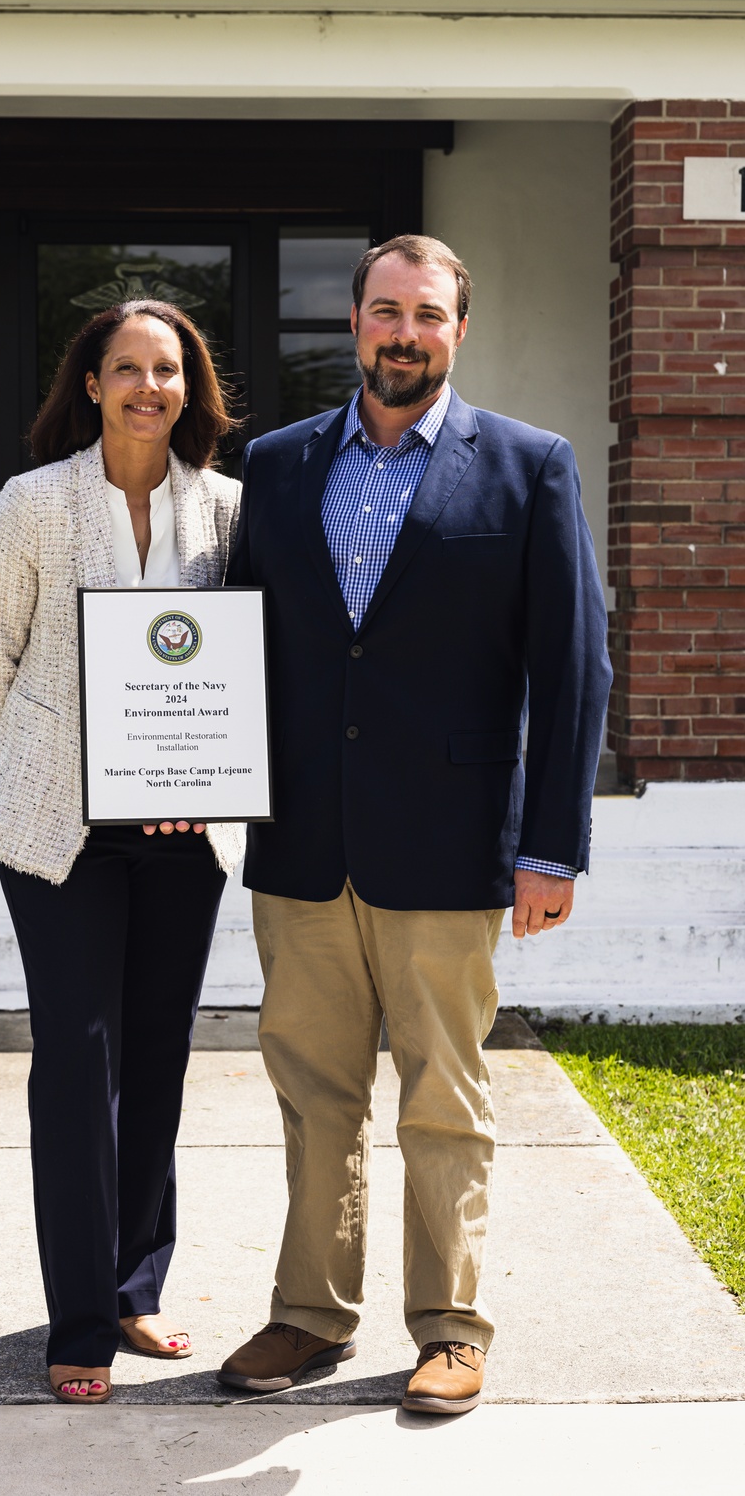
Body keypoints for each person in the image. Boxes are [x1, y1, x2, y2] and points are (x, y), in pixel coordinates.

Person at [217, 235, 612, 1415]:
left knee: (445, 1095)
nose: (403, 333)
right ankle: (307, 1312)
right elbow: (240, 640)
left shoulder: (529, 466)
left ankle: (450, 1324)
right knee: (312, 1091)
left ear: (457, 327)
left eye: (426, 314)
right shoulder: (277, 463)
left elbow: (571, 664)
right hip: (300, 843)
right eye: (384, 311)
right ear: (352, 323)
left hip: (449, 841)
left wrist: (550, 845)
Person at [0, 299, 244, 1406]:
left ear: (190, 385)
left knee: (158, 1055)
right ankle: (78, 1316)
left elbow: (233, 667)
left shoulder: (225, 508)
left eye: (166, 369)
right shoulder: (34, 503)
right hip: (60, 831)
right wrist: (45, 769)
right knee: (78, 1063)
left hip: (186, 836)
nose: (146, 387)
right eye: (124, 368)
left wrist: (199, 781)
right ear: (90, 383)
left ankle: (136, 1285)